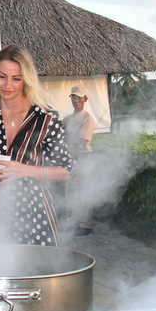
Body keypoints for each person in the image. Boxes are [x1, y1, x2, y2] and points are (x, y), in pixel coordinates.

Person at [0, 44, 72, 246]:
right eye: (2, 76)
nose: (8, 84)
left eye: (16, 78)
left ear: (26, 79)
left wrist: (25, 170)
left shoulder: (46, 119)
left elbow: (66, 171)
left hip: (36, 217)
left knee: (39, 276)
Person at [63, 84, 97, 236]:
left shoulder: (88, 118)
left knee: (85, 191)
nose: (76, 101)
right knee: (70, 191)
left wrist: (69, 138)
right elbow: (62, 138)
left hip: (84, 159)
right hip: (71, 159)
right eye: (74, 98)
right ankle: (71, 223)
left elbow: (82, 140)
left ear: (85, 99)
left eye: (79, 98)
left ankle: (85, 224)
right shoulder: (67, 119)